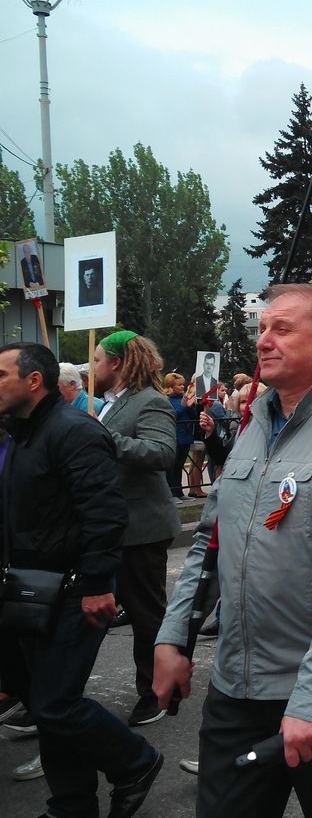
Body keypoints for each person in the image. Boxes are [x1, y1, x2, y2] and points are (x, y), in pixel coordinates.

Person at [153, 285, 312, 818]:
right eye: (261, 329)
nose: (264, 340)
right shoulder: (252, 424)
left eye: (282, 329)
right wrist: (174, 636)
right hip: (237, 686)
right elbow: (209, 540)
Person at [0, 342, 164, 818]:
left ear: (34, 380)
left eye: (2, 374)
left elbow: (106, 514)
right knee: (42, 701)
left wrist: (96, 584)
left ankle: (135, 760)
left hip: (72, 590)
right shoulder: (23, 433)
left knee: (54, 705)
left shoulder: (73, 431)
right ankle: (71, 804)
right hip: (30, 589)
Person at [91, 331, 181, 728]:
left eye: (96, 360)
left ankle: (159, 690)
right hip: (113, 527)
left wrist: (103, 438)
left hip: (141, 528)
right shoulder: (109, 404)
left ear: (118, 362)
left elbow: (162, 453)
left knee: (147, 614)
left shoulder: (151, 401)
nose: (92, 367)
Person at [163, 372, 196, 499]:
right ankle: (171, 493)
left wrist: (190, 407)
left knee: (180, 465)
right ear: (171, 386)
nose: (182, 387)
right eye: (179, 385)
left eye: (183, 384)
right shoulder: (167, 400)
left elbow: (193, 415)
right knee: (172, 466)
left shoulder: (183, 398)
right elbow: (173, 415)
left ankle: (179, 491)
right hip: (174, 436)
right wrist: (183, 406)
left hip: (185, 436)